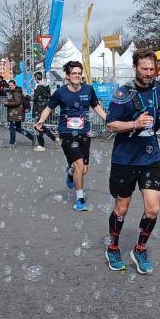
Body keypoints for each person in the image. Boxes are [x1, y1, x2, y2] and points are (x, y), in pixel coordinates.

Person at [103, 49, 160, 273]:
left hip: (150, 157)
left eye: (151, 69)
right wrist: (134, 124)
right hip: (125, 159)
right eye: (144, 68)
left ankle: (140, 249)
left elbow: (154, 118)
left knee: (153, 209)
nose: (148, 73)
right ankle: (113, 247)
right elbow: (110, 124)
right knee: (122, 208)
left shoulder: (157, 88)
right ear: (135, 67)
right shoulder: (122, 93)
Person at [34, 61, 106, 212]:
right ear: (67, 76)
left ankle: (70, 172)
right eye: (74, 73)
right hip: (66, 132)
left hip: (84, 132)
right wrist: (41, 121)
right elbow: (48, 108)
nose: (77, 76)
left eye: (79, 73)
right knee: (79, 164)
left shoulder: (88, 89)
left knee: (83, 169)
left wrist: (108, 119)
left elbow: (96, 106)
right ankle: (80, 199)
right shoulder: (60, 93)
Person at [3, 79, 36, 148]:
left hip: (15, 113)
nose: (10, 87)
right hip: (17, 113)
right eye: (9, 85)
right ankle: (32, 137)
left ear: (15, 85)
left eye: (11, 85)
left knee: (12, 128)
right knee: (18, 128)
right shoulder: (15, 91)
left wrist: (7, 103)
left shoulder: (16, 92)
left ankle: (12, 143)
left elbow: (17, 102)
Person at [32, 72, 58, 151]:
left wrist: (26, 96)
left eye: (35, 78)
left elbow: (34, 98)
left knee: (38, 127)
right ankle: (55, 139)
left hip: (38, 109)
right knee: (40, 126)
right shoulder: (47, 87)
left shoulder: (39, 87)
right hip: (45, 109)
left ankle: (41, 145)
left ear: (36, 78)